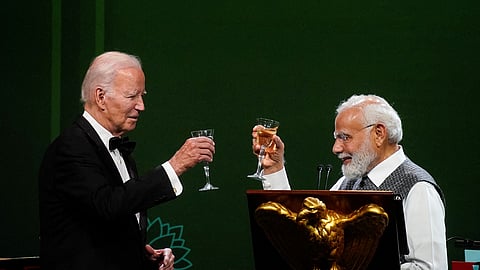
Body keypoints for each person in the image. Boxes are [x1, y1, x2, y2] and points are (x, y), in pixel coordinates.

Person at [39, 51, 215, 270]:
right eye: (132, 96)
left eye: (142, 96)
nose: (141, 106)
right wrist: (175, 166)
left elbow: (108, 223)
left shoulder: (119, 149)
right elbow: (109, 204)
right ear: (100, 97)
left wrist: (143, 257)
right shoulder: (72, 147)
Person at [252, 94, 447, 269]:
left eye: (345, 137)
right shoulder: (347, 182)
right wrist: (273, 168)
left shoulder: (419, 188)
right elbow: (305, 239)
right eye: (337, 138)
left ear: (379, 133)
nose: (336, 148)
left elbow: (429, 268)